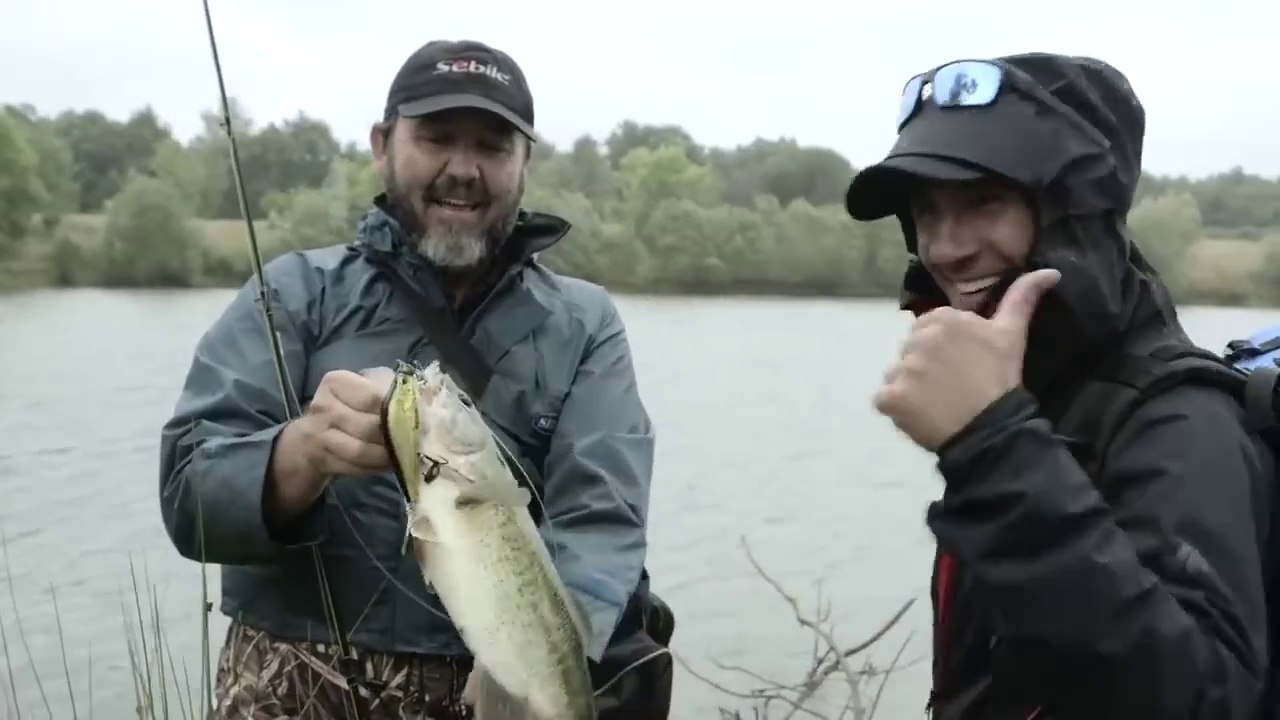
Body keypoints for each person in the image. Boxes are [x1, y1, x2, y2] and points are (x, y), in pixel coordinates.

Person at [158, 38, 674, 719]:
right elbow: (188, 497)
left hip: (500, 693)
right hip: (292, 687)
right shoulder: (293, 293)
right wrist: (302, 453)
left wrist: (540, 665)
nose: (463, 169)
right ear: (383, 145)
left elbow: (601, 521)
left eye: (491, 147)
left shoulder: (584, 324)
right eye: (435, 138)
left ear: (525, 162)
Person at [843, 53, 1278, 718]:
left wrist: (991, 450)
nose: (946, 247)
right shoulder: (1035, 405)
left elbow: (1204, 702)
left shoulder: (1182, 423)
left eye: (984, 202)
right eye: (927, 211)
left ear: (1072, 212)